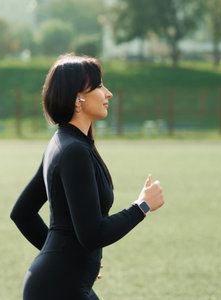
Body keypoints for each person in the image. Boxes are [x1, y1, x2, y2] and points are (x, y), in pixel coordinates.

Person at [10, 53, 165, 300]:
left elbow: (22, 213)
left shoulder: (64, 143)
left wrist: (64, 259)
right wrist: (142, 206)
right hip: (58, 289)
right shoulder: (73, 150)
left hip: (62, 284)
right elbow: (93, 233)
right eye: (100, 85)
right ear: (77, 98)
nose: (109, 93)